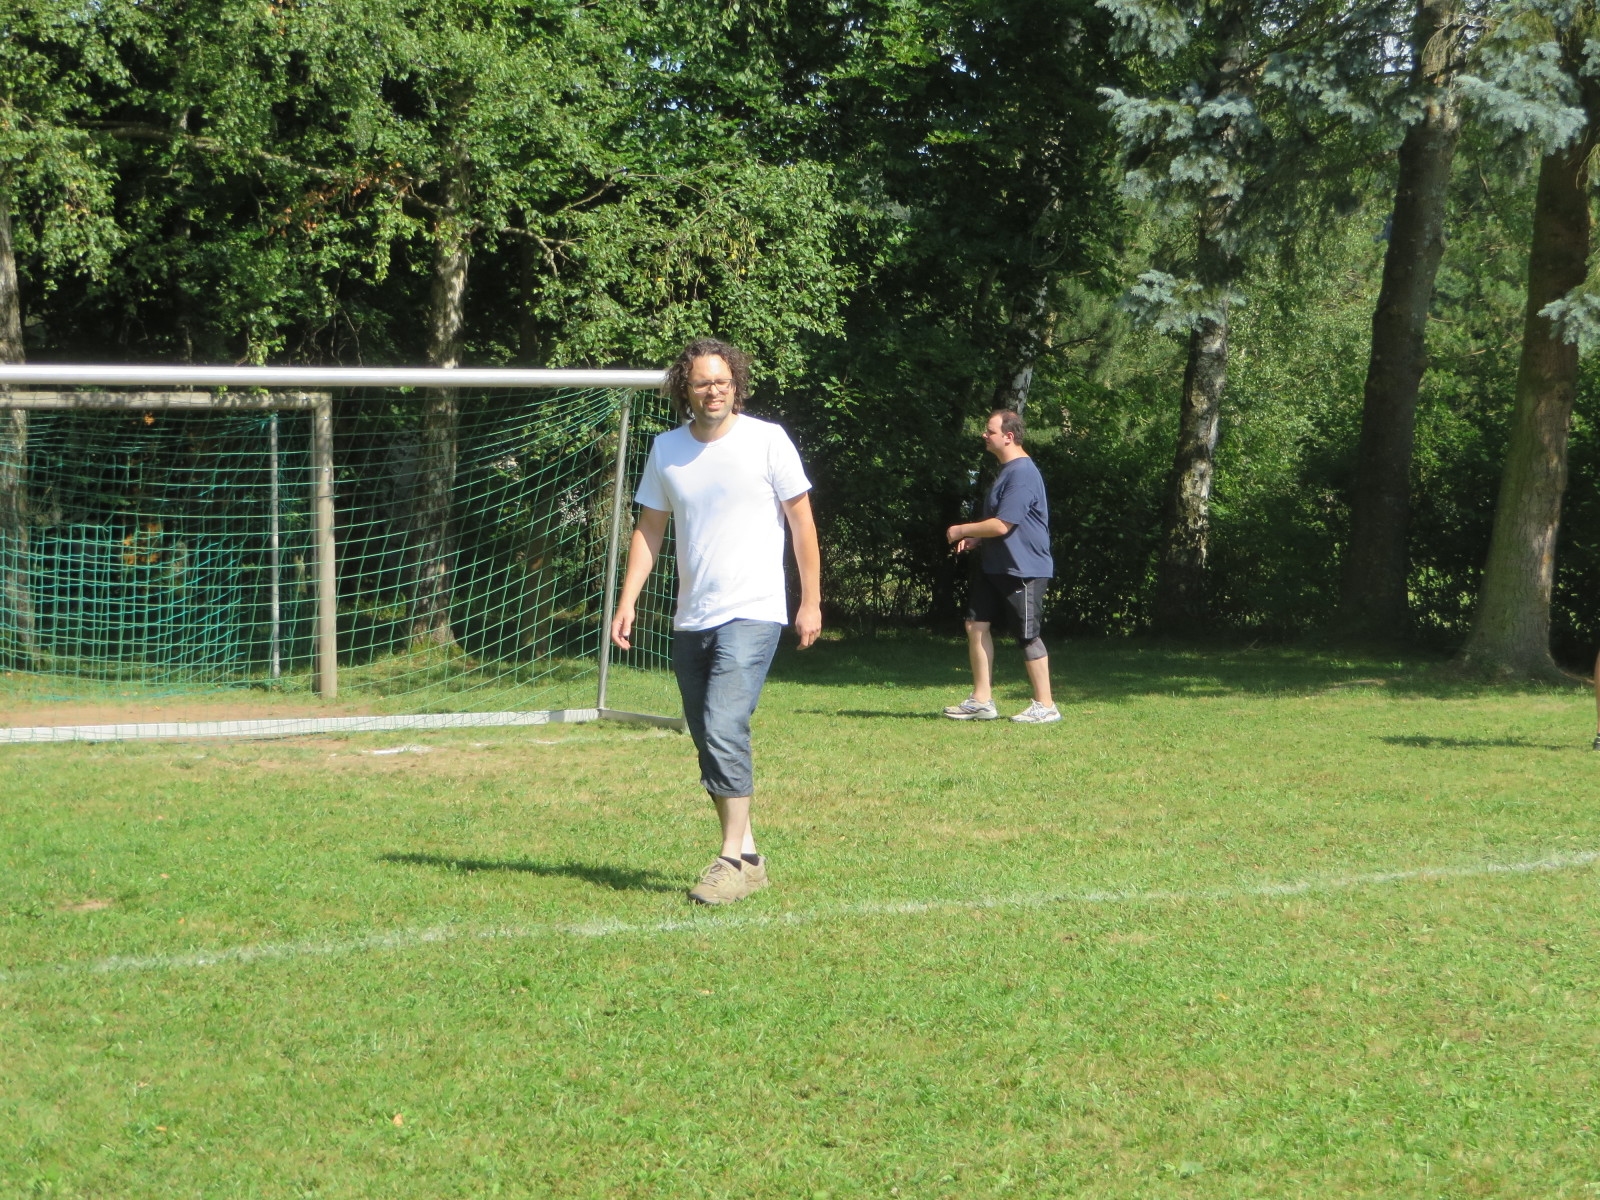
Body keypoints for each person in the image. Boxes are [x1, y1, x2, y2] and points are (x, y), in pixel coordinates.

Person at [609, 338, 822, 905]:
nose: (714, 391)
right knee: (707, 737)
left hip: (754, 609)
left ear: (736, 385)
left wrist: (810, 601)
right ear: (686, 387)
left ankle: (727, 861)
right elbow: (650, 528)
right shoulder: (667, 449)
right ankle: (748, 855)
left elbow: (801, 522)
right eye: (703, 382)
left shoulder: (767, 440)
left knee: (725, 725)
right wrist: (628, 600)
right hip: (692, 617)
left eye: (722, 381)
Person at [942, 408, 1060, 724]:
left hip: (1024, 569)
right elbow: (1004, 523)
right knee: (975, 625)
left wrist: (962, 529)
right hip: (996, 565)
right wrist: (977, 539)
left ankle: (1046, 705)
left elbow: (1002, 525)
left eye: (989, 431)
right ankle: (981, 701)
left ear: (1008, 437)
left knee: (1027, 636)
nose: (984, 435)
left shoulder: (1022, 473)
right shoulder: (1007, 470)